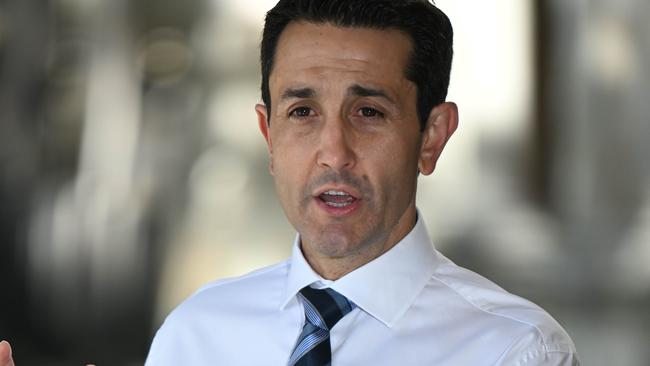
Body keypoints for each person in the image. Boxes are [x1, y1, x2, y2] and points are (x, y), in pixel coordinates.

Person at [1, 0, 580, 365]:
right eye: (302, 112)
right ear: (268, 133)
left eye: (369, 112)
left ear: (432, 136)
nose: (334, 153)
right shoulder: (195, 335)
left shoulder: (515, 350)